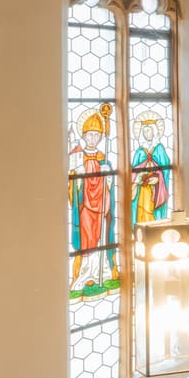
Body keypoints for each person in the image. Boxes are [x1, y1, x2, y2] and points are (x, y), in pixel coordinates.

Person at [69, 102, 115, 288]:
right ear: (84, 135)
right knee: (87, 238)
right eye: (90, 135)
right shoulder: (77, 156)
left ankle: (101, 273)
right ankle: (85, 273)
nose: (93, 138)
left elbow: (110, 184)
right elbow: (71, 185)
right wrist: (78, 175)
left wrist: (108, 173)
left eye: (97, 135)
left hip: (101, 205)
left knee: (101, 236)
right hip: (85, 206)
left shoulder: (103, 157)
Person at [131, 112, 172, 223]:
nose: (146, 134)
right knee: (141, 214)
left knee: (153, 215)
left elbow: (166, 170)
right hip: (141, 190)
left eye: (148, 131)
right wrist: (138, 179)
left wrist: (158, 179)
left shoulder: (159, 149)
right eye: (143, 131)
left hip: (155, 190)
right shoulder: (140, 151)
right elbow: (133, 170)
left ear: (154, 131)